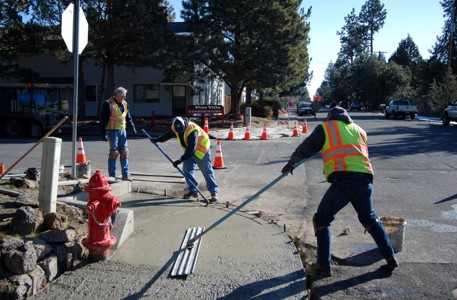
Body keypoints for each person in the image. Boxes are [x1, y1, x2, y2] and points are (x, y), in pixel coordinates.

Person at [281, 107, 398, 276]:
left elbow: (308, 147)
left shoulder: (327, 127)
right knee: (370, 219)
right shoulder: (359, 130)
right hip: (365, 181)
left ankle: (323, 265)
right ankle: (390, 257)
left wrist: (291, 163)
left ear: (330, 117)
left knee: (322, 219)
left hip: (345, 181)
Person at [154, 116, 219, 202]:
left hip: (201, 150)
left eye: (182, 130)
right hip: (189, 151)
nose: (180, 131)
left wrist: (180, 160)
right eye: (179, 131)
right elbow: (169, 134)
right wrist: (159, 139)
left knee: (207, 171)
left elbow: (192, 148)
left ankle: (214, 193)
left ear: (184, 124)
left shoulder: (192, 129)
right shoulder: (175, 127)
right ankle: (193, 190)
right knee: (187, 169)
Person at [100, 87, 137, 181]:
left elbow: (128, 117)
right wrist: (103, 133)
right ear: (118, 95)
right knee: (114, 153)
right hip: (112, 131)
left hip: (122, 131)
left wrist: (132, 127)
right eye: (123, 96)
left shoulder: (125, 104)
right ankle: (112, 176)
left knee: (124, 152)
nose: (124, 97)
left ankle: (125, 175)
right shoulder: (108, 104)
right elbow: (103, 119)